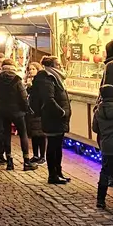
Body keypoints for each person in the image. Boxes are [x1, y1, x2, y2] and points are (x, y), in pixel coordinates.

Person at [29, 56, 73, 184]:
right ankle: (52, 175)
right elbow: (48, 99)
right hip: (53, 117)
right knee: (53, 146)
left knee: (57, 146)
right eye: (58, 64)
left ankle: (58, 172)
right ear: (52, 65)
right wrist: (61, 112)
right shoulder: (46, 77)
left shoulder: (55, 77)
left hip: (58, 118)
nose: (60, 66)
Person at [0, 59, 32, 171]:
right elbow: (23, 97)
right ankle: (26, 161)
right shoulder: (17, 80)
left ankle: (9, 161)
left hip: (3, 111)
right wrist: (25, 108)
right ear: (13, 67)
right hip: (18, 112)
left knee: (6, 135)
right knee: (23, 134)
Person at [24, 62, 46, 165]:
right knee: (34, 134)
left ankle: (42, 156)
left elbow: (39, 95)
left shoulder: (40, 81)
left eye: (33, 69)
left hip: (39, 111)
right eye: (30, 69)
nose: (31, 71)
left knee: (40, 135)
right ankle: (36, 154)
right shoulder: (32, 81)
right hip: (32, 111)